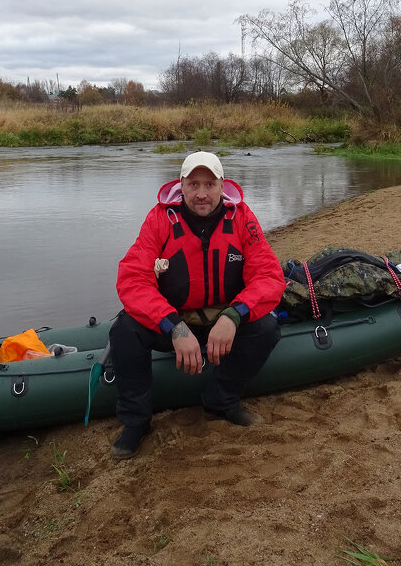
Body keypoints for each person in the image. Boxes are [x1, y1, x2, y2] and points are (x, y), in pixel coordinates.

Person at [108, 151, 284, 459]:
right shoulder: (160, 219)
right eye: (193, 184)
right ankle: (136, 421)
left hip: (222, 321)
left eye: (209, 184)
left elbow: (268, 277)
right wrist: (173, 326)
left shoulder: (241, 217)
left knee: (267, 327)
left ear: (221, 186)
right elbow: (132, 280)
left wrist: (234, 315)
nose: (201, 194)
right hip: (173, 322)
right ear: (181, 185)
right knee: (124, 331)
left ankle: (221, 398)